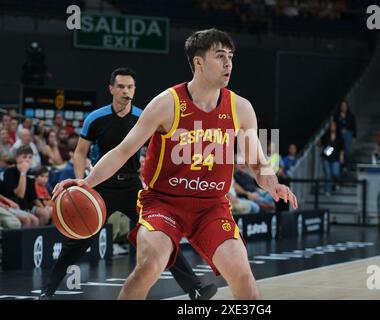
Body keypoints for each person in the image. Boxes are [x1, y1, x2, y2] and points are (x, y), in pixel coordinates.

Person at [53, 29, 297, 300]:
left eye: (230, 56)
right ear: (198, 62)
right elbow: (123, 151)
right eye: (220, 56)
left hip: (211, 206)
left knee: (243, 277)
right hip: (164, 202)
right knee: (148, 267)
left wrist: (274, 184)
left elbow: (256, 162)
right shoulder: (166, 103)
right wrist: (86, 183)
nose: (228, 63)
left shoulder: (241, 107)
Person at [41, 67, 216, 300]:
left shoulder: (144, 116)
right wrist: (82, 181)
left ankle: (194, 287)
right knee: (77, 242)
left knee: (163, 233)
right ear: (111, 89)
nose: (126, 91)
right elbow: (80, 153)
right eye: (121, 86)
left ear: (135, 90)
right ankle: (47, 291)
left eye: (130, 87)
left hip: (133, 186)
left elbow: (163, 150)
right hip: (101, 187)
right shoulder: (96, 118)